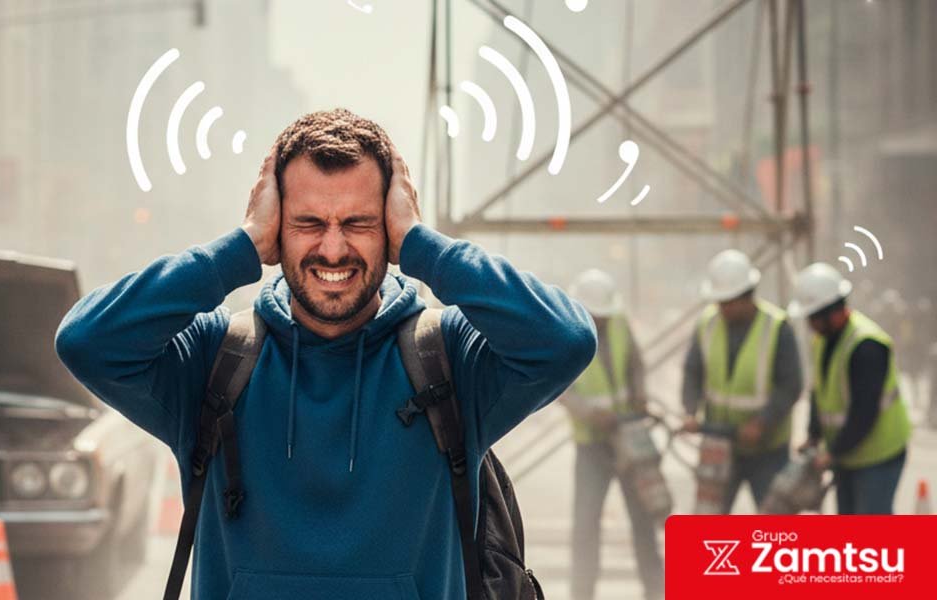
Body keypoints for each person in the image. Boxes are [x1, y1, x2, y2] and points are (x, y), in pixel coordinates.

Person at [54, 108, 596, 599]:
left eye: (358, 223)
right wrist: (238, 248)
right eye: (309, 223)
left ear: (388, 228)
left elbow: (565, 340)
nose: (333, 248)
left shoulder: (451, 358)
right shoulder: (215, 361)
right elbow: (87, 341)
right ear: (277, 230)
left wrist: (424, 247)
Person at [563, 269, 664, 600]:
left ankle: (656, 590)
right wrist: (590, 414)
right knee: (586, 526)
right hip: (592, 446)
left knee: (643, 521)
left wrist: (640, 395)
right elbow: (561, 388)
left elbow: (636, 365)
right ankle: (582, 593)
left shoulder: (618, 323)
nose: (602, 321)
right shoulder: (566, 332)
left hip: (628, 440)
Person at [680, 249, 803, 513]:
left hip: (767, 450)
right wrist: (690, 411)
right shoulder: (707, 324)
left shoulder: (777, 327)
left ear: (747, 296)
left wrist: (762, 422)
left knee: (777, 533)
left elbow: (790, 385)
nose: (722, 308)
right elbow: (692, 371)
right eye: (719, 302)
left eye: (728, 302)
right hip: (719, 445)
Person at [791, 263, 911, 514]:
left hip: (879, 454)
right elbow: (819, 393)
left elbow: (864, 412)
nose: (810, 324)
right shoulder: (822, 342)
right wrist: (813, 436)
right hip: (847, 453)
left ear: (832, 312)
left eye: (813, 317)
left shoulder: (866, 346)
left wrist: (832, 452)